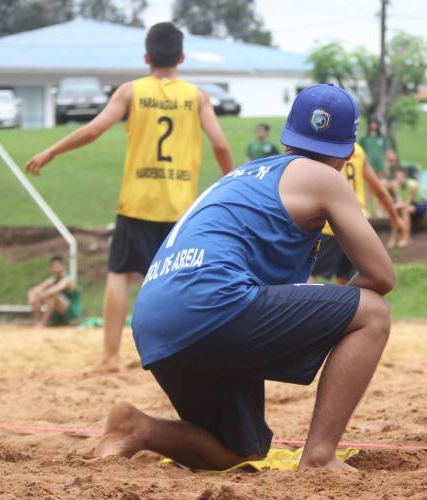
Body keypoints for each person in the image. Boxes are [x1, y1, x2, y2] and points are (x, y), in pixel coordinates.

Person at [94, 84, 394, 472]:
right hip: (212, 304)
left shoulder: (246, 174)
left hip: (155, 318)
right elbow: (381, 275)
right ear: (349, 151)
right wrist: (334, 321)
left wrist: (319, 315)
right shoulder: (325, 177)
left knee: (241, 450)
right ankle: (319, 456)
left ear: (288, 135)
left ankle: (137, 429)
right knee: (372, 312)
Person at [25, 23, 233, 372]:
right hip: (180, 205)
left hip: (138, 201)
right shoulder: (197, 97)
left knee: (119, 273)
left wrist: (51, 151)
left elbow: (93, 130)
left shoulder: (131, 91)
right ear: (181, 57)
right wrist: (231, 184)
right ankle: (180, 352)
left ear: (146, 57)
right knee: (179, 279)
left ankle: (109, 356)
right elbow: (221, 144)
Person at [311, 142, 405, 284]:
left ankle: (313, 307)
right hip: (355, 226)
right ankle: (343, 306)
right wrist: (395, 218)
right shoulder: (358, 150)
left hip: (329, 224)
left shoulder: (325, 146)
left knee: (308, 275)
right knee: (345, 280)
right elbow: (379, 191)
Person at [27, 255, 82, 328]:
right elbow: (36, 289)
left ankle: (43, 323)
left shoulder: (67, 280)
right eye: (54, 267)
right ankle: (36, 322)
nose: (56, 269)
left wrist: (38, 296)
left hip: (70, 311)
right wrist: (32, 295)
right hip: (58, 312)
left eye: (58, 267)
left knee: (52, 295)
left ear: (63, 267)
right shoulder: (53, 279)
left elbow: (56, 289)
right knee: (34, 293)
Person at [387, 165, 427, 248]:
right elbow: (399, 200)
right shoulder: (396, 185)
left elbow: (407, 203)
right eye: (397, 177)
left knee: (405, 210)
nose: (398, 179)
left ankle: (406, 238)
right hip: (407, 205)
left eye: (400, 177)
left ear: (406, 177)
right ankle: (393, 238)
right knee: (396, 212)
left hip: (420, 204)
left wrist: (396, 206)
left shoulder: (412, 186)